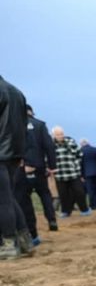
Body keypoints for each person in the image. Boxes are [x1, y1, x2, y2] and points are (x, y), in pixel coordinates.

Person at [0, 75, 34, 260]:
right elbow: (23, 123)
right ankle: (25, 240)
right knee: (8, 198)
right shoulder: (16, 91)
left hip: (2, 150)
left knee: (2, 200)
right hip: (14, 152)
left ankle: (8, 242)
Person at [14, 105, 58, 244]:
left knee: (23, 201)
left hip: (18, 168)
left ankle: (32, 234)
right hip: (38, 167)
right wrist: (52, 166)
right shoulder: (39, 125)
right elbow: (49, 146)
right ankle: (51, 219)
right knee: (45, 194)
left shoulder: (13, 124)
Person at [51, 126, 91, 217]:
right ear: (53, 135)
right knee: (63, 194)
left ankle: (85, 210)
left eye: (61, 134)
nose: (60, 136)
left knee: (79, 192)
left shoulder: (70, 141)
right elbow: (48, 157)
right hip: (60, 174)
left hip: (73, 172)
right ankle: (66, 211)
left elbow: (79, 154)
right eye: (58, 134)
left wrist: (76, 165)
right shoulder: (50, 145)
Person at [80, 138, 96, 210]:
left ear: (81, 144)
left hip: (87, 174)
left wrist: (81, 175)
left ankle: (93, 206)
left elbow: (80, 164)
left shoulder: (81, 151)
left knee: (91, 191)